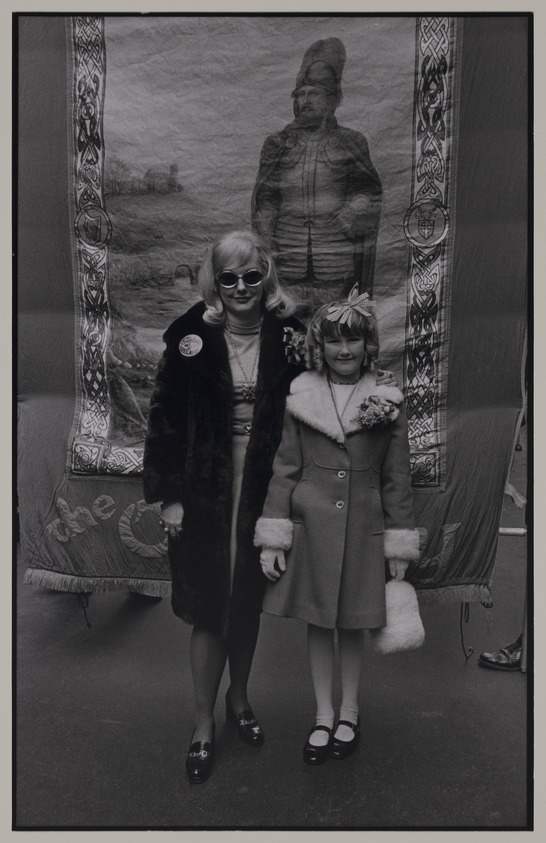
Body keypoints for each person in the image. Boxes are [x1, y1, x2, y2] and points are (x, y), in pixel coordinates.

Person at [142, 230, 308, 783]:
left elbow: (315, 411)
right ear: (216, 281)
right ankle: (202, 723)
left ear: (267, 277)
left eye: (251, 276)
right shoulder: (189, 335)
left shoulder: (293, 336)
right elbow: (163, 418)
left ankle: (240, 700)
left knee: (246, 600)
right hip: (202, 487)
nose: (241, 287)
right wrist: (169, 497)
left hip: (267, 484)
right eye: (229, 277)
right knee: (210, 604)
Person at [254, 287, 420, 764]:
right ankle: (323, 714)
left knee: (351, 625)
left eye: (353, 341)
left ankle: (349, 710)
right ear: (318, 346)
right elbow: (284, 469)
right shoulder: (302, 395)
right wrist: (273, 535)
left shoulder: (387, 399)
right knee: (318, 623)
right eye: (333, 342)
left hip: (363, 529)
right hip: (312, 528)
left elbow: (396, 478)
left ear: (368, 344)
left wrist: (399, 545)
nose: (344, 350)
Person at [251, 37, 382, 318]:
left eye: (313, 94)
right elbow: (266, 199)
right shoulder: (277, 144)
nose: (304, 101)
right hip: (287, 259)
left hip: (335, 260)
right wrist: (267, 238)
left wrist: (353, 209)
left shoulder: (351, 142)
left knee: (335, 329)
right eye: (300, 94)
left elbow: (370, 191)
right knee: (286, 335)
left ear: (332, 100)